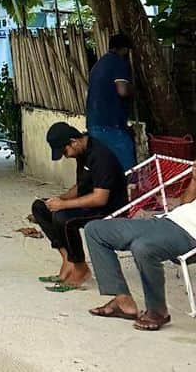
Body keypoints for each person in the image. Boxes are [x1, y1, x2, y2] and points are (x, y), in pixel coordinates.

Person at [85, 163, 196, 331]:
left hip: (190, 234)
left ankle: (158, 310)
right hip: (167, 220)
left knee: (143, 247)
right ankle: (123, 302)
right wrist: (194, 180)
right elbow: (185, 203)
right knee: (95, 230)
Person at [31, 122, 128, 291]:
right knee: (40, 207)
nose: (66, 156)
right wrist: (58, 200)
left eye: (65, 151)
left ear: (73, 142)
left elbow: (100, 198)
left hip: (109, 208)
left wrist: (64, 205)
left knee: (64, 218)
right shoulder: (81, 153)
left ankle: (81, 268)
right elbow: (81, 187)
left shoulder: (100, 156)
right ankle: (68, 260)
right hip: (90, 203)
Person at [86, 33, 136, 171]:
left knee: (105, 166)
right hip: (110, 124)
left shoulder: (98, 64)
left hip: (94, 123)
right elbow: (122, 90)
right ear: (125, 49)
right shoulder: (119, 63)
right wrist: (134, 90)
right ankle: (131, 191)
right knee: (127, 166)